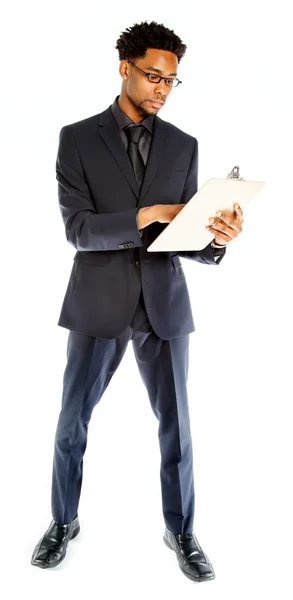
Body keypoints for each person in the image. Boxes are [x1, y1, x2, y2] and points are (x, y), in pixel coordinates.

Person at [31, 21, 243, 581]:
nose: (162, 89)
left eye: (172, 81)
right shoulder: (75, 138)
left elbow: (187, 237)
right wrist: (145, 216)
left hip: (164, 305)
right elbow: (78, 229)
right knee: (72, 420)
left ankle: (181, 531)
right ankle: (62, 521)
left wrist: (215, 238)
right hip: (98, 301)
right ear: (124, 68)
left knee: (178, 426)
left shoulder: (183, 145)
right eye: (153, 76)